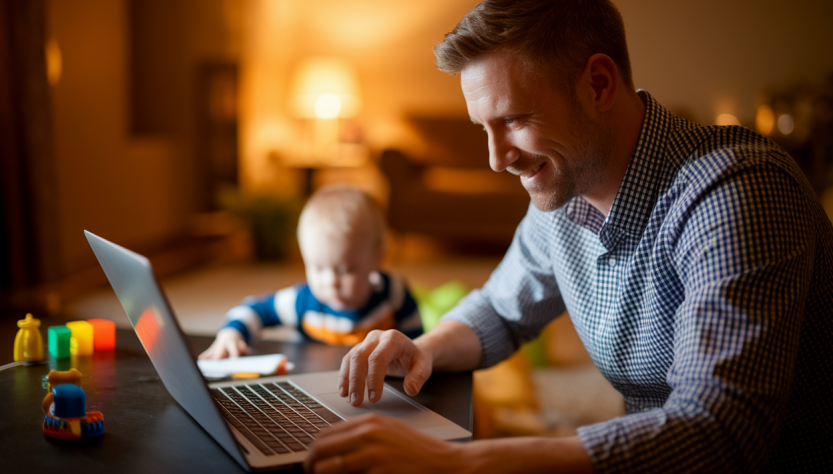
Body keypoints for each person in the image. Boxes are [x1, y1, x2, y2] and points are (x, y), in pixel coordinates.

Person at [305, 1, 833, 473]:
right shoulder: (566, 186)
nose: (496, 159)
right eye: (481, 127)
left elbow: (719, 433)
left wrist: (460, 463)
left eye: (514, 118)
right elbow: (501, 308)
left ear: (599, 84)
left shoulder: (737, 193)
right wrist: (422, 350)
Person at [199, 185, 423, 360]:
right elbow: (252, 309)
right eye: (318, 268)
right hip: (310, 384)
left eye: (346, 270)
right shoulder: (302, 300)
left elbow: (417, 346)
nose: (330, 281)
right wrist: (232, 333)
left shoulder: (394, 293)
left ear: (378, 257)